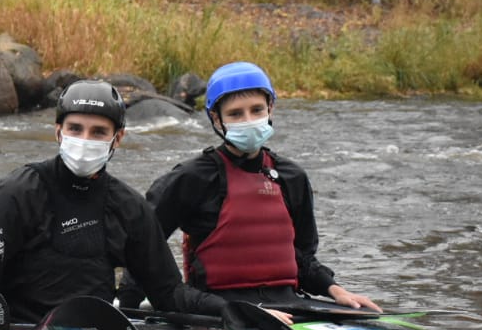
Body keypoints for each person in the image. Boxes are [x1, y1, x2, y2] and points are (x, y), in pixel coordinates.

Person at [0, 79, 228, 330]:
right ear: (58, 132)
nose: (85, 140)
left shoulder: (130, 208)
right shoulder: (16, 192)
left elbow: (169, 293)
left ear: (117, 138)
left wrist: (235, 312)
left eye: (98, 132)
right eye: (75, 129)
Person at [116, 61, 380, 316]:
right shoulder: (192, 178)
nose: (248, 120)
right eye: (235, 114)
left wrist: (334, 289)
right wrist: (127, 310)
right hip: (218, 308)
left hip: (289, 305)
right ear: (216, 120)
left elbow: (301, 258)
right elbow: (143, 248)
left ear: (270, 110)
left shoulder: (292, 177)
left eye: (256, 110)